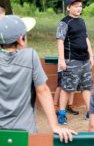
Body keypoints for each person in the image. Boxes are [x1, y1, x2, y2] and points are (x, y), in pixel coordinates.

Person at [0, 15, 76, 143]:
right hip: (25, 131)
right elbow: (43, 91)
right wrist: (55, 126)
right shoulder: (30, 56)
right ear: (21, 39)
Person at [56, 0, 94, 125]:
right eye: (76, 6)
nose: (79, 8)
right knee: (67, 87)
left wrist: (91, 55)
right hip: (71, 60)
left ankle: (90, 112)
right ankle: (61, 114)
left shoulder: (82, 21)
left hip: (84, 60)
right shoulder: (64, 22)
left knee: (86, 87)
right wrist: (62, 59)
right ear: (68, 7)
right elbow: (60, 41)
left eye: (80, 6)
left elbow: (86, 38)